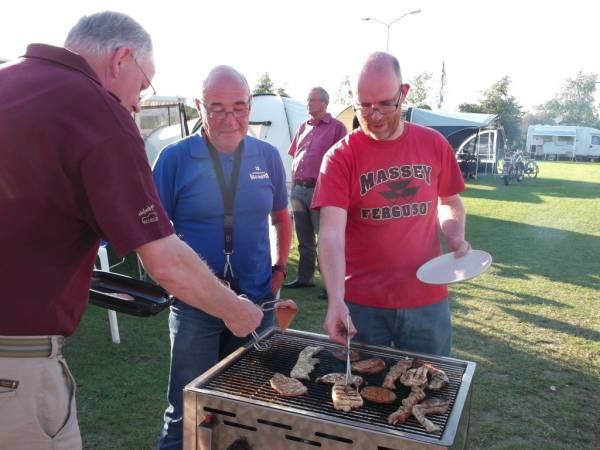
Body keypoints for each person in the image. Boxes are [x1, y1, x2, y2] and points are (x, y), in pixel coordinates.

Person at [0, 12, 262, 450]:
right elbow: (163, 259)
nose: (139, 103)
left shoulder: (9, 80)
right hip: (14, 369)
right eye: (143, 86)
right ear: (122, 58)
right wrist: (235, 310)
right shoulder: (98, 110)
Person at [152, 65, 292, 450]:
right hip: (197, 305)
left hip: (257, 302)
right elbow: (153, 236)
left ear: (250, 106)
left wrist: (280, 268)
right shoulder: (174, 159)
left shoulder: (267, 155)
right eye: (216, 109)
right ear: (200, 106)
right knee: (186, 411)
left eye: (238, 108)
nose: (229, 119)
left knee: (253, 409)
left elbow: (281, 216)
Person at [312, 52, 470, 357]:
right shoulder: (340, 157)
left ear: (404, 93)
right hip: (362, 304)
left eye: (386, 103)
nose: (375, 114)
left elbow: (449, 201)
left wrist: (453, 234)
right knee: (361, 393)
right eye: (364, 105)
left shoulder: (434, 144)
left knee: (432, 390)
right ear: (352, 97)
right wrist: (335, 299)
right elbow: (330, 233)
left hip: (427, 298)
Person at [284, 87, 346, 299]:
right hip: (299, 189)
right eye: (307, 100)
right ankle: (305, 278)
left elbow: (341, 161)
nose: (308, 104)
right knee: (304, 238)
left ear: (324, 103)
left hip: (321, 190)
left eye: (312, 100)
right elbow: (296, 154)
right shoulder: (303, 126)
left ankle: (331, 285)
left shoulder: (337, 128)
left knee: (326, 239)